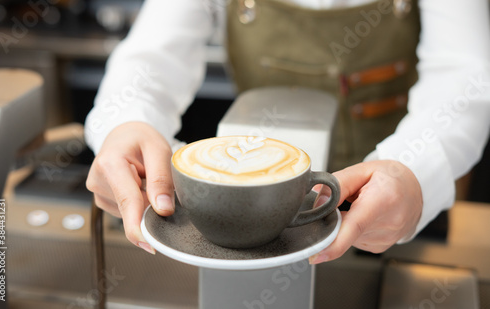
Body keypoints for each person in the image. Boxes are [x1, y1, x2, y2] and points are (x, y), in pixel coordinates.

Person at [84, 0, 490, 263]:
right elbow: (152, 55)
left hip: (391, 200)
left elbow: (466, 74)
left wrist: (415, 166)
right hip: (247, 211)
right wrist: (127, 120)